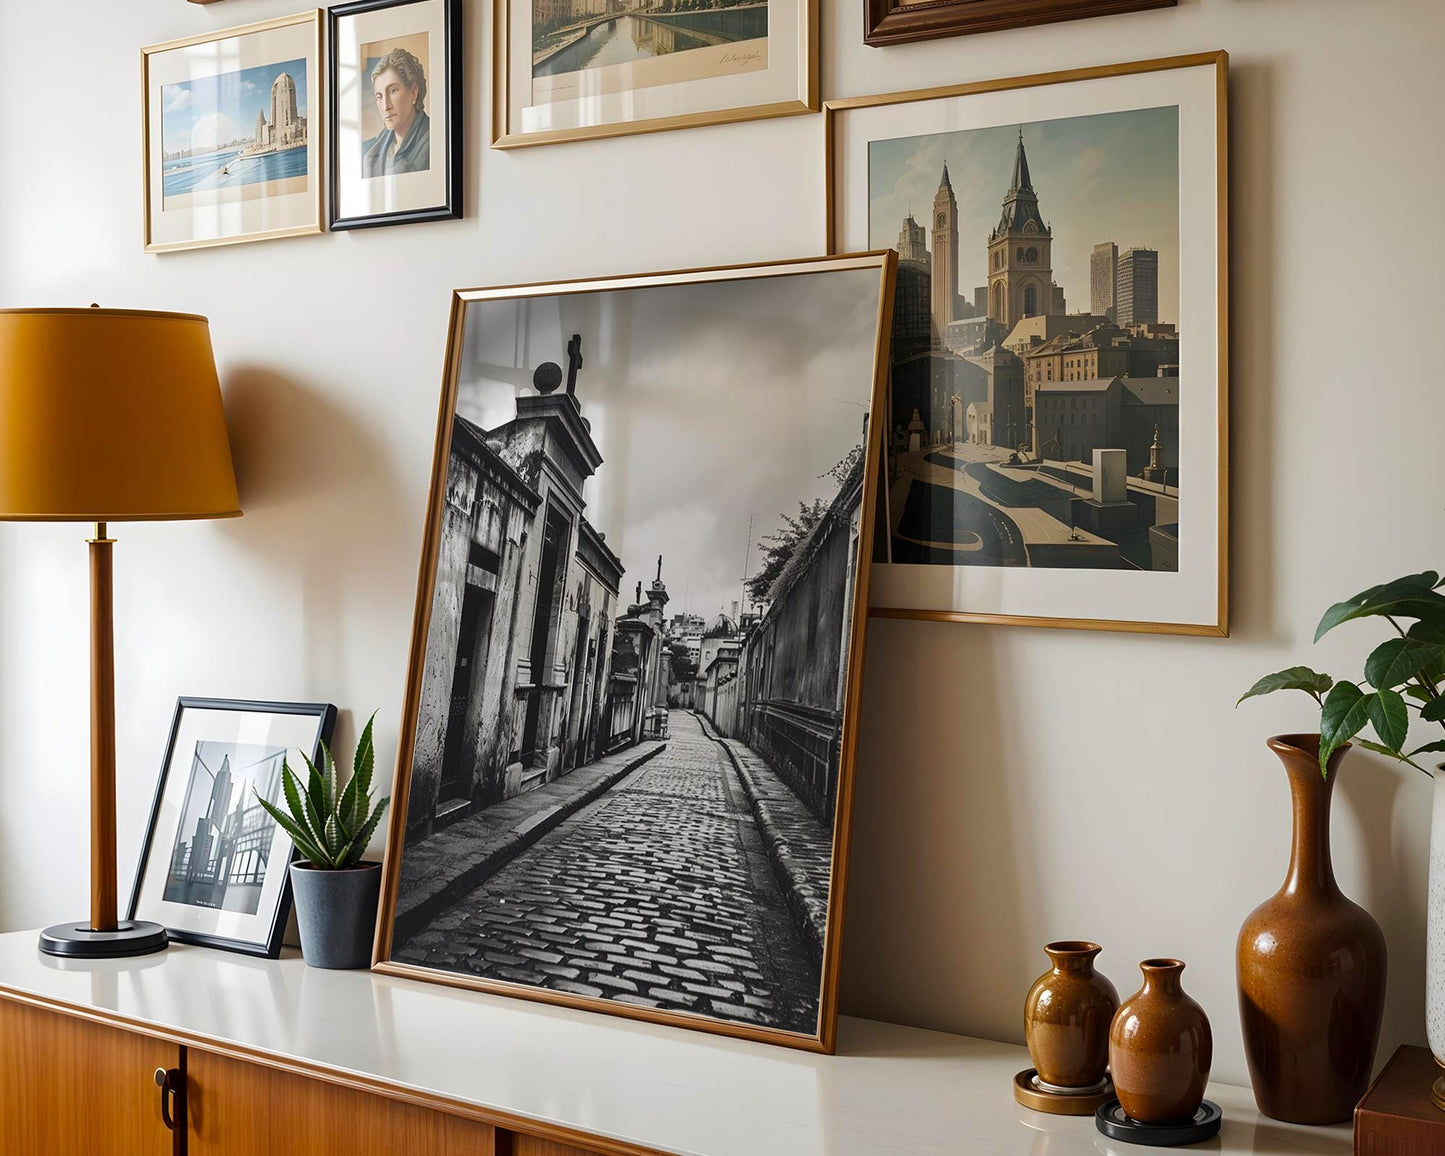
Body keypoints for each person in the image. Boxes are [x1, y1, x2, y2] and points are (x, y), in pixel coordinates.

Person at [362, 48, 430, 177]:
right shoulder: (368, 151)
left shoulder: (433, 141)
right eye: (379, 96)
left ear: (413, 92)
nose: (385, 106)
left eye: (392, 91)